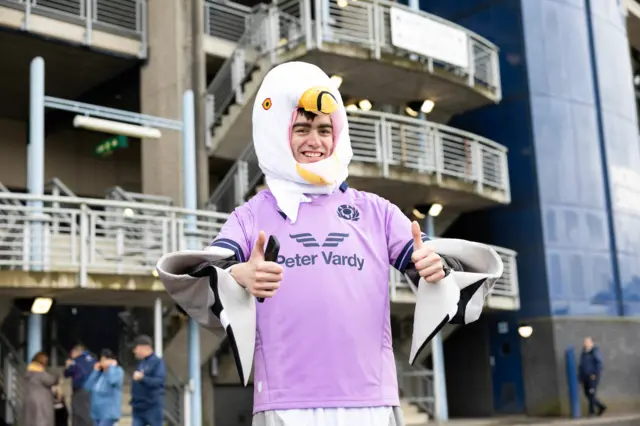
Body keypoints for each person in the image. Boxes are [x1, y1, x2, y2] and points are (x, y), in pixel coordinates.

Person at [157, 61, 503, 425]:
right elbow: (195, 276)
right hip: (286, 404)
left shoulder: (377, 212)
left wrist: (437, 269)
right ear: (277, 132)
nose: (316, 142)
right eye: (301, 128)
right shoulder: (251, 215)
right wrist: (238, 275)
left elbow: (438, 266)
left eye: (325, 129)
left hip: (372, 400)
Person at [130, 335, 166, 426]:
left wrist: (142, 378)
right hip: (138, 407)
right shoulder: (141, 363)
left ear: (144, 347)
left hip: (152, 406)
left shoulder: (157, 362)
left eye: (136, 348)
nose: (134, 351)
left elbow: (159, 381)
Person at [83, 349, 124, 426]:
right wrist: (95, 371)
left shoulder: (118, 371)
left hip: (109, 412)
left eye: (106, 360)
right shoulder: (99, 374)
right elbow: (87, 387)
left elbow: (113, 381)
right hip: (96, 412)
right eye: (102, 360)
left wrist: (111, 367)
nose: (104, 362)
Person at [20, 351, 58, 426]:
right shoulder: (40, 373)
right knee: (41, 422)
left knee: (30, 421)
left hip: (29, 401)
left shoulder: (29, 372)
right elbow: (52, 380)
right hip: (41, 404)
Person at [64, 344, 96, 426]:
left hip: (80, 389)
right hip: (92, 389)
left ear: (76, 352)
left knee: (78, 413)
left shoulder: (76, 361)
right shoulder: (93, 359)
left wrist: (67, 366)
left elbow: (67, 373)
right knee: (88, 411)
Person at [579, 336, 607, 416]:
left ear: (592, 343)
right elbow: (582, 365)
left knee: (591, 394)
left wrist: (595, 374)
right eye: (585, 342)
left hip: (592, 377)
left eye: (587, 342)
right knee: (587, 394)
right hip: (585, 377)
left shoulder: (594, 352)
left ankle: (591, 412)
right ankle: (601, 406)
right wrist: (580, 377)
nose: (585, 344)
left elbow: (599, 364)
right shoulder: (584, 353)